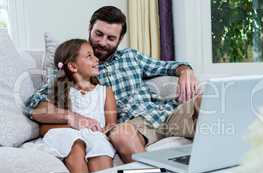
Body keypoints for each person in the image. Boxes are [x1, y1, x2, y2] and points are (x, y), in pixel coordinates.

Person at [25, 6, 200, 164]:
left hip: (165, 113)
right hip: (134, 127)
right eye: (98, 34)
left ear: (120, 39)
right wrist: (72, 117)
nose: (102, 42)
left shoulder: (131, 56)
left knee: (206, 101)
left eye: (111, 38)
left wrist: (185, 71)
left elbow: (168, 66)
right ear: (90, 29)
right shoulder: (77, 67)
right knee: (121, 134)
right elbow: (35, 104)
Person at [41, 39, 117, 173]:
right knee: (75, 143)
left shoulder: (105, 91)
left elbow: (111, 124)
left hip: (95, 135)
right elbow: (45, 127)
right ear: (73, 66)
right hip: (69, 134)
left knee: (100, 144)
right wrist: (76, 126)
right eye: (89, 56)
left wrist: (103, 131)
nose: (96, 59)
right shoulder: (62, 91)